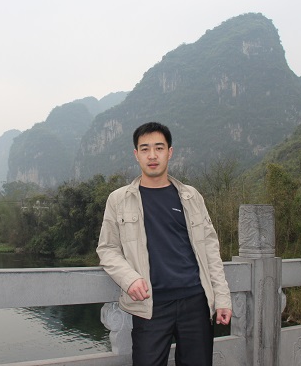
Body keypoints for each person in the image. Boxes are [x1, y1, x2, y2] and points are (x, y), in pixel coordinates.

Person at [97, 122, 232, 366]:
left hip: (196, 301)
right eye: (145, 149)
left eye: (159, 148)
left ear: (170, 152)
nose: (152, 155)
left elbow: (211, 250)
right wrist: (129, 279)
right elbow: (107, 249)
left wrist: (222, 298)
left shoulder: (191, 196)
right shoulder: (119, 199)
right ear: (136, 154)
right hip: (150, 305)